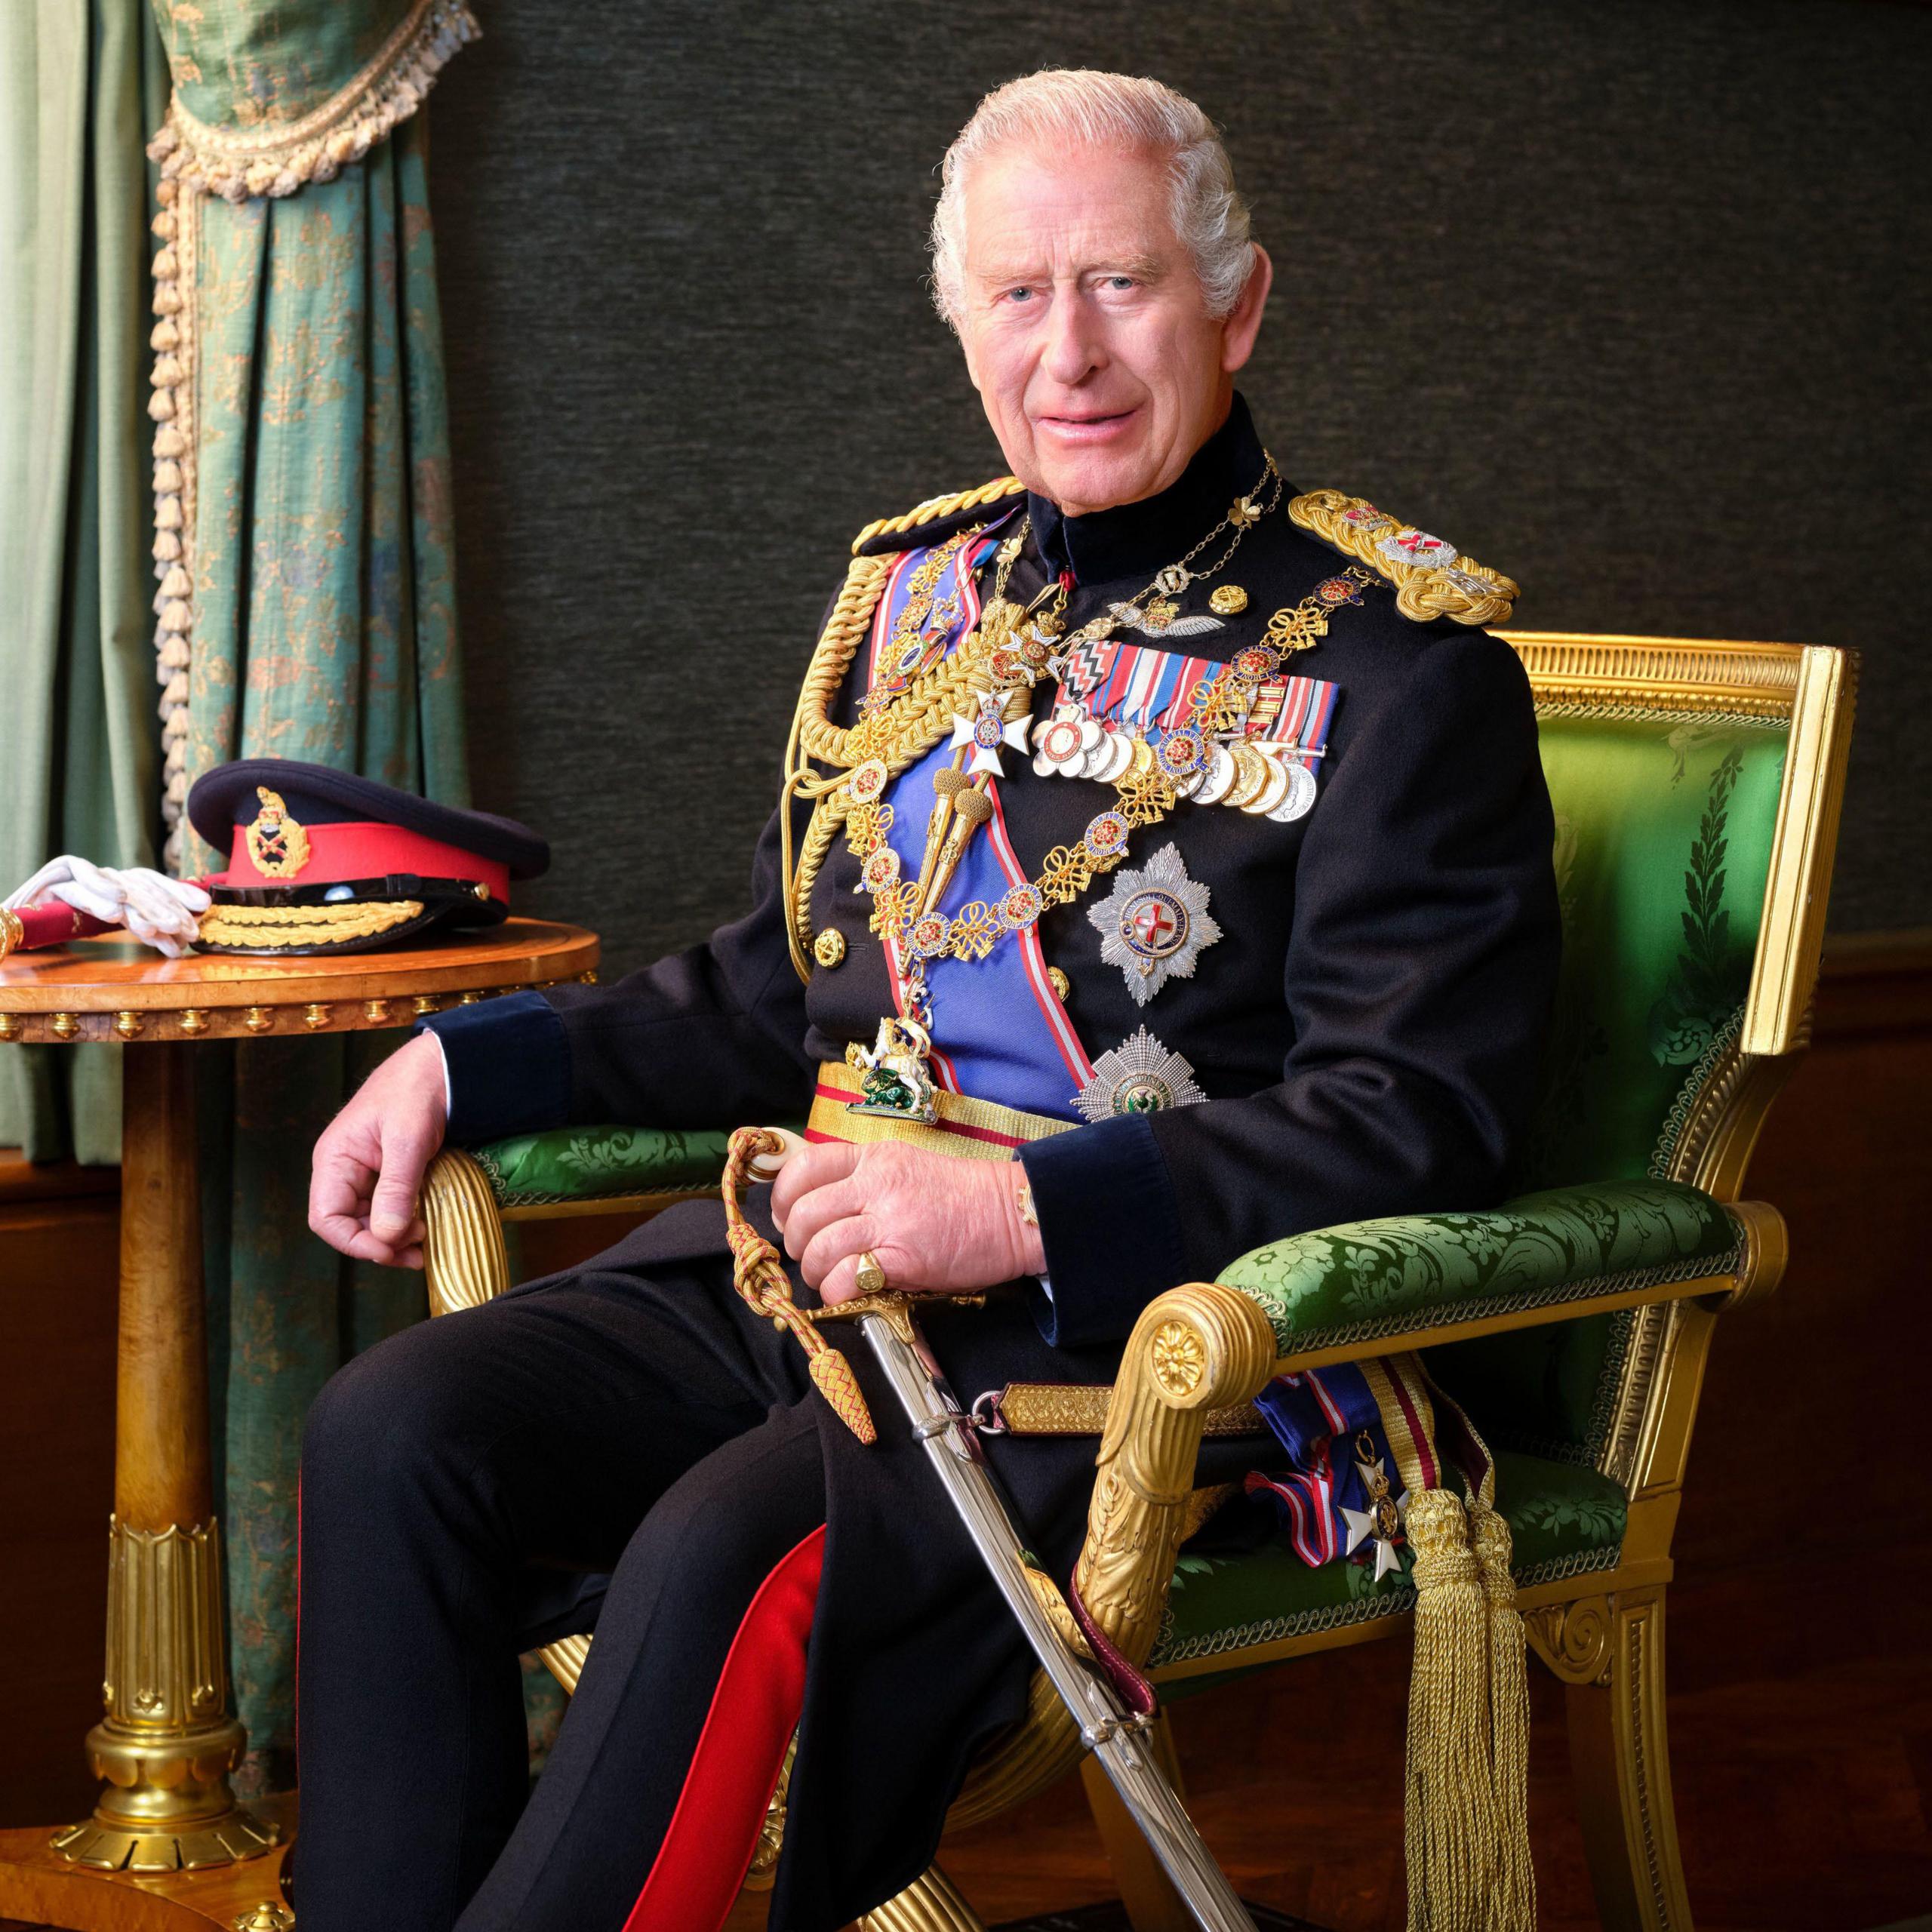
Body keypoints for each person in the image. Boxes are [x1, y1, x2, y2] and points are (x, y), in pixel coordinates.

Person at [298, 68, 1558, 1932]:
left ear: (1238, 301)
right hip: (812, 1266)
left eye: (1121, 283)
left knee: (729, 1549)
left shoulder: (1396, 663)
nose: (1070, 350)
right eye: (1016, 295)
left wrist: (1017, 1210)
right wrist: (448, 1060)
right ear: (961, 324)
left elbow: (1420, 1113)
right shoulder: (913, 601)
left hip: (1122, 1340)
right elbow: (770, 985)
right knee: (397, 1421)